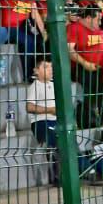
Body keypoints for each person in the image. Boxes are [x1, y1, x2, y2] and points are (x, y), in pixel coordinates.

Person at [0, 0, 47, 81]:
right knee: (27, 40)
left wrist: (43, 32)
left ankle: (35, 73)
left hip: (22, 30)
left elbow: (35, 15)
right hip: (7, 30)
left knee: (34, 40)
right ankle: (29, 75)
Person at [67, 7, 103, 129]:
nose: (100, 23)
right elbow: (69, 50)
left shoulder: (98, 31)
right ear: (88, 18)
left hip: (100, 67)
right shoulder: (74, 28)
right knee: (93, 88)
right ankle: (88, 122)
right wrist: (85, 63)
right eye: (98, 19)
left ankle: (100, 120)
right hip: (81, 68)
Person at [26, 57, 59, 185]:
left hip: (55, 121)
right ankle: (57, 176)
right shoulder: (35, 86)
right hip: (40, 122)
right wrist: (49, 110)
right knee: (56, 141)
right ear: (36, 70)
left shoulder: (54, 84)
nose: (50, 70)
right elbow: (29, 107)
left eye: (51, 67)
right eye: (46, 67)